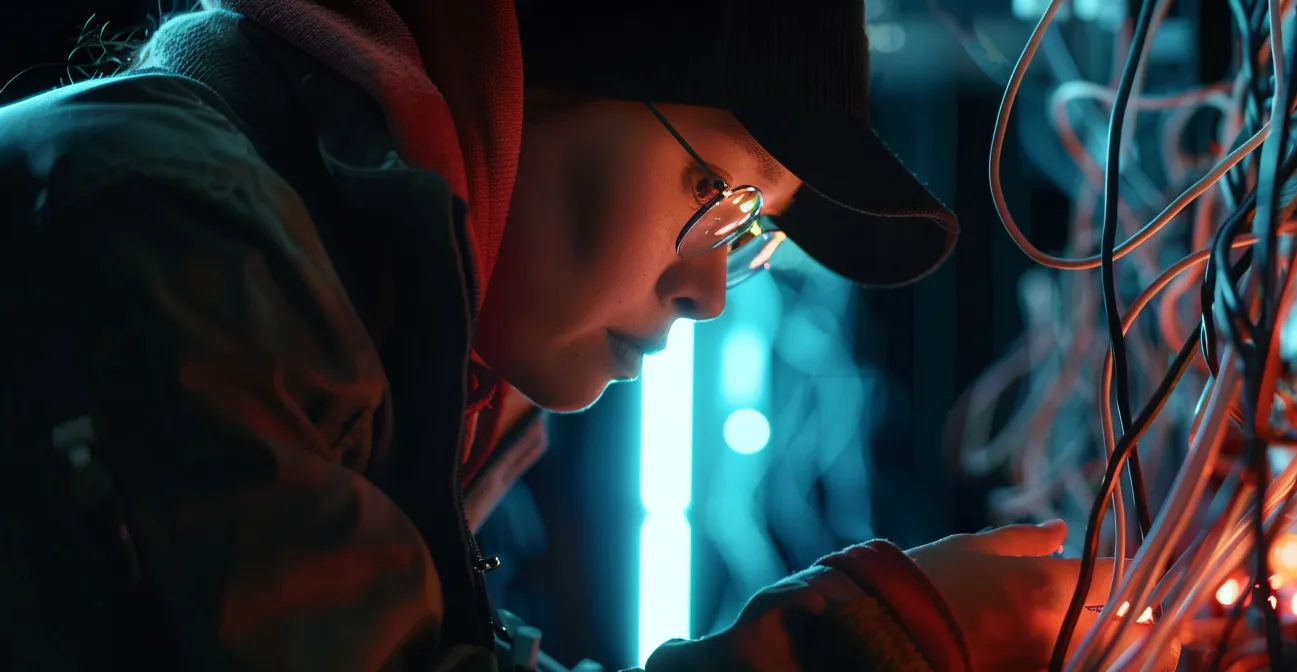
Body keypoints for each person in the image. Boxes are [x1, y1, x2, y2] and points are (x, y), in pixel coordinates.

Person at [0, 1, 1147, 669]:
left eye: (755, 237)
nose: (711, 291)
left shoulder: (363, 330)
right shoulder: (168, 222)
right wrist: (875, 639)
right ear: (510, 63)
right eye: (720, 192)